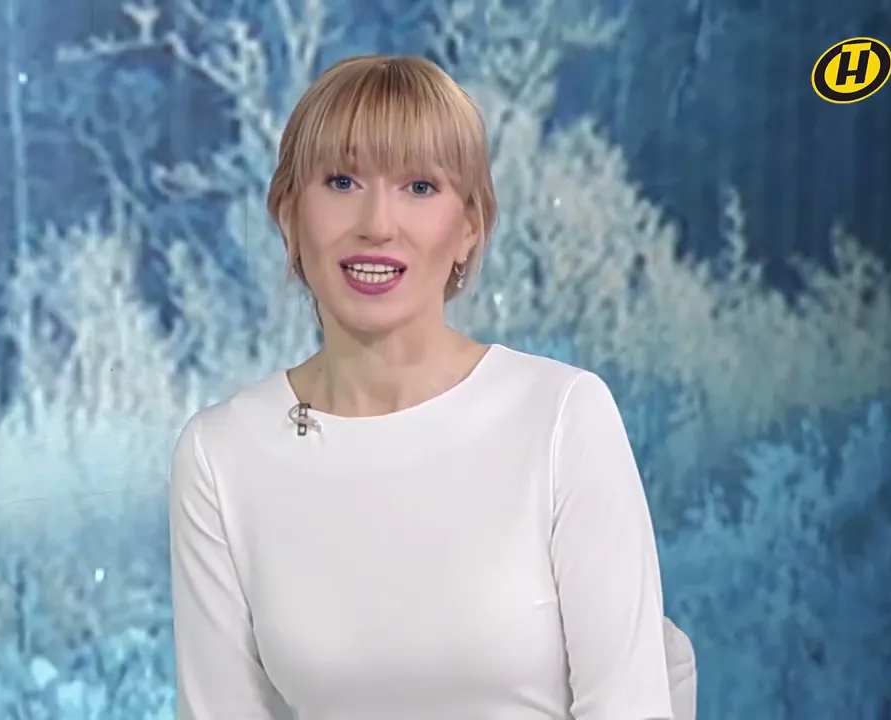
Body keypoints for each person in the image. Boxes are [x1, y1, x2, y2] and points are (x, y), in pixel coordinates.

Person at [168, 54, 694, 719]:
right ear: (289, 214)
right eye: (341, 181)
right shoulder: (221, 454)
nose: (377, 224)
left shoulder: (561, 415)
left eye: (419, 186)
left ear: (470, 226)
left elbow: (628, 705)